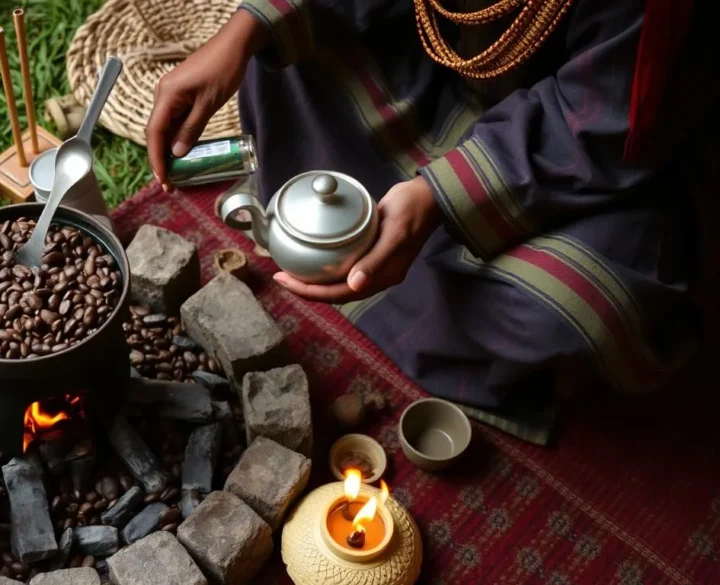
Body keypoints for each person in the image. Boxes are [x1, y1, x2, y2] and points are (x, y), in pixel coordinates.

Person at [146, 0, 716, 442]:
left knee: (584, 304)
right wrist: (246, 27)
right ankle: (413, 265)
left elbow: (607, 119)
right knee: (281, 63)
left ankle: (445, 284)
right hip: (421, 64)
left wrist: (440, 197)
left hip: (566, 153)